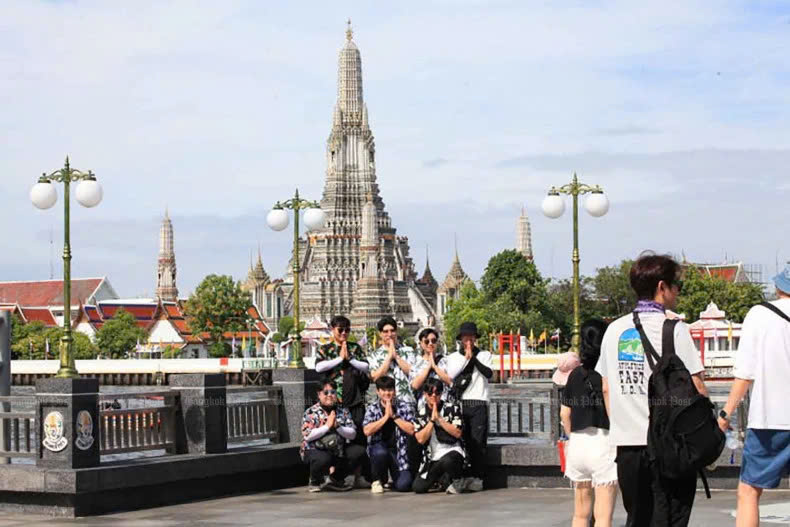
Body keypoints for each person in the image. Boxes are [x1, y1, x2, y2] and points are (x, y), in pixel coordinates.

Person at [596, 252, 708, 527]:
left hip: (628, 450)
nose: (678, 291)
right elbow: (697, 386)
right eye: (675, 285)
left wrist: (624, 424)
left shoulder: (615, 331)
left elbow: (607, 388)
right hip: (670, 448)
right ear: (661, 287)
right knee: (670, 519)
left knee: (638, 519)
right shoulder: (675, 330)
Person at [717, 265, 790, 527]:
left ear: (779, 286)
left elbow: (744, 374)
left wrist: (725, 415)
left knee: (749, 491)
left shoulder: (760, 314)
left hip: (770, 421)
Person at [560, 319, 618, 527]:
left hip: (578, 445)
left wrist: (571, 437)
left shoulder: (575, 374)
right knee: (603, 517)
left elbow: (565, 413)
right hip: (603, 443)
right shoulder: (609, 372)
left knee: (580, 515)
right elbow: (608, 392)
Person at [315, 315, 371, 488]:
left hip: (355, 400)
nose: (344, 333)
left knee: (358, 439)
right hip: (335, 401)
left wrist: (350, 359)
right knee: (335, 439)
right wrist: (339, 359)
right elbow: (318, 367)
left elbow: (366, 366)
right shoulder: (326, 349)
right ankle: (333, 476)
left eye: (347, 330)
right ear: (333, 329)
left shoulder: (355, 348)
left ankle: (358, 475)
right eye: (340, 330)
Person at [369, 316, 422, 472]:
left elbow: (413, 373)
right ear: (380, 334)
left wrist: (396, 356)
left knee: (406, 439)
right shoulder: (375, 355)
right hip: (383, 404)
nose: (389, 334)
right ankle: (381, 475)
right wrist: (388, 357)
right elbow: (375, 377)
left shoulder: (408, 351)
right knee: (384, 439)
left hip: (406, 402)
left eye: (392, 331)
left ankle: (407, 471)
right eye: (385, 332)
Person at [445, 321, 493, 492]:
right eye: (465, 337)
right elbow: (450, 377)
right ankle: (462, 476)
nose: (468, 340)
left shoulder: (484, 355)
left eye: (471, 337)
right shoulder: (452, 358)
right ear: (461, 339)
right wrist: (465, 359)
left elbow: (489, 374)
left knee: (478, 442)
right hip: (460, 403)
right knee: (461, 441)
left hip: (478, 401)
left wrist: (472, 357)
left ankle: (478, 477)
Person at [301, 379, 367, 492]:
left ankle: (335, 479)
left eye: (333, 392)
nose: (330, 395)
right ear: (319, 394)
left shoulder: (343, 410)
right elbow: (307, 435)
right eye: (326, 393)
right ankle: (315, 481)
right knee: (323, 458)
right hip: (315, 450)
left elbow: (352, 434)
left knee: (358, 451)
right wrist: (327, 426)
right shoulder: (311, 412)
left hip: (338, 450)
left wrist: (338, 427)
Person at [363, 376, 416, 493]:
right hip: (379, 448)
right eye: (383, 390)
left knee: (404, 485)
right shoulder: (373, 408)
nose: (387, 393)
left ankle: (393, 478)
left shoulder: (403, 406)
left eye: (390, 390)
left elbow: (412, 429)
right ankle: (378, 479)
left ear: (395, 391)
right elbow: (367, 430)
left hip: (398, 451)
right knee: (380, 453)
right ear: (378, 391)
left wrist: (394, 416)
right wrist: (386, 417)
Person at [412, 378, 465, 494]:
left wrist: (440, 419)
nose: (433, 396)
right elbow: (420, 439)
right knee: (418, 487)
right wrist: (431, 421)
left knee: (448, 461)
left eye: (437, 393)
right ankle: (442, 480)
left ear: (441, 394)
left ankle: (457, 480)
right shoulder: (421, 413)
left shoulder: (452, 408)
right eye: (430, 393)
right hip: (433, 457)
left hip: (452, 451)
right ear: (425, 394)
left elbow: (457, 433)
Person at [410, 326, 453, 408]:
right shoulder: (416, 362)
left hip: (444, 406)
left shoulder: (445, 360)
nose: (430, 344)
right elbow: (414, 385)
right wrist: (429, 366)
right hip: (424, 407)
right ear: (421, 344)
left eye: (433, 341)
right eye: (426, 341)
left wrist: (435, 367)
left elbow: (450, 382)